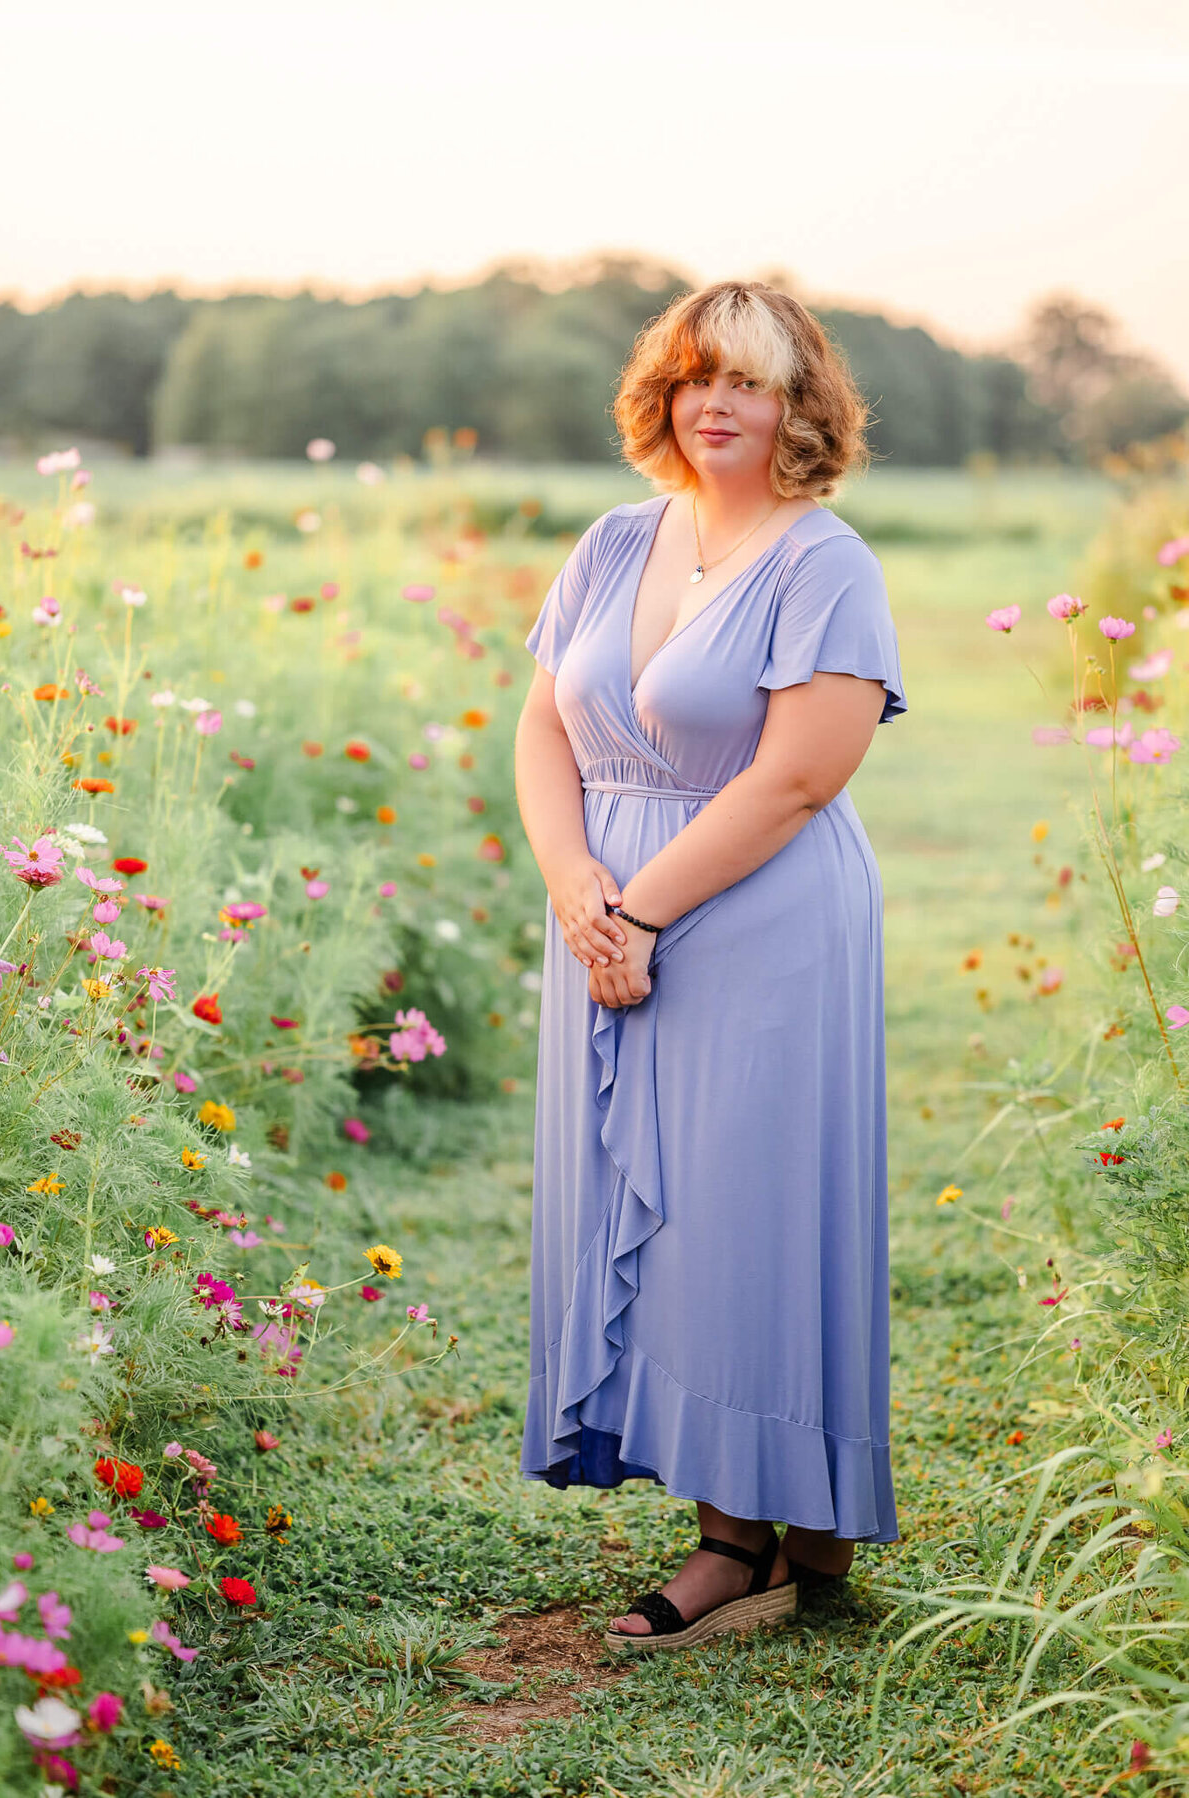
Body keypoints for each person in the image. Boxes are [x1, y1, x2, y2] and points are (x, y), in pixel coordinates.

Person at [513, 280, 908, 1655]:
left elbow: (798, 777)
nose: (718, 403)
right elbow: (543, 731)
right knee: (661, 1217)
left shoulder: (824, 563)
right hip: (606, 913)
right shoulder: (618, 539)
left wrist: (642, 914)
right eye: (695, 378)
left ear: (803, 405)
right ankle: (785, 1525)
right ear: (662, 397)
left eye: (749, 380)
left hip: (753, 921)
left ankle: (746, 1544)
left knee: (742, 1215)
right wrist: (577, 886)